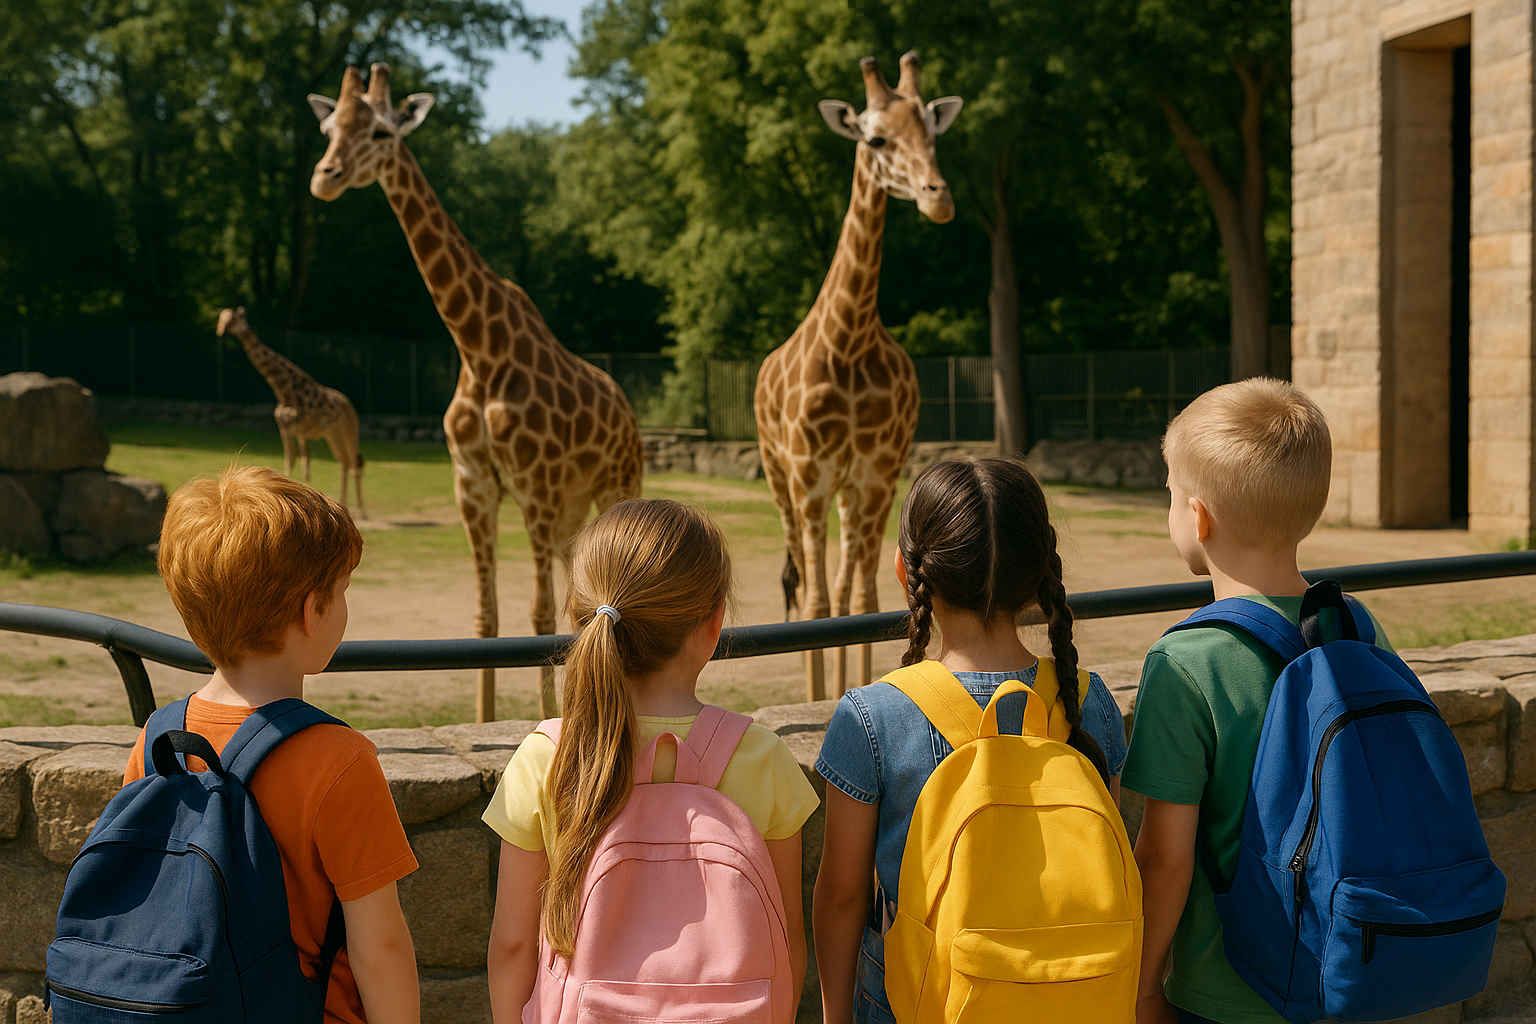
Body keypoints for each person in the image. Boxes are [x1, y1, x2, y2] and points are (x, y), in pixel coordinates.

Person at [812, 456, 1131, 1024]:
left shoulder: (873, 716)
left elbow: (841, 895)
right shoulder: (1090, 700)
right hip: (1072, 998)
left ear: (905, 571)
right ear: (1039, 571)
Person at [483, 498, 821, 1024]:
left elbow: (511, 945)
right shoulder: (762, 757)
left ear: (581, 618)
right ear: (714, 625)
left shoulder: (547, 759)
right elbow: (787, 943)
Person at [1123, 379, 1392, 1024]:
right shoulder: (1356, 627)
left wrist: (1142, 985)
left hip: (1226, 988)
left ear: (1199, 515)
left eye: (1169, 491)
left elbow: (1166, 856)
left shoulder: (1185, 662)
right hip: (1343, 967)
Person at [121, 465, 421, 1024]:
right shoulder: (339, 760)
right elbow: (378, 946)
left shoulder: (158, 738)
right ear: (314, 610)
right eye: (342, 590)